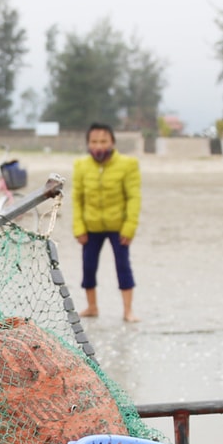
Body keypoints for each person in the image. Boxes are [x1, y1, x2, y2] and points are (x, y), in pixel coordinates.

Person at [71, 122, 141, 322]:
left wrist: (129, 227)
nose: (99, 146)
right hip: (90, 226)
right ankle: (92, 307)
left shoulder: (128, 165)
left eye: (103, 141)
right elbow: (77, 199)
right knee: (88, 266)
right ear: (88, 144)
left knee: (123, 266)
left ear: (112, 142)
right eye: (94, 141)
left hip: (118, 226)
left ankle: (128, 310)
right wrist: (79, 227)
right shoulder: (81, 165)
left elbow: (133, 198)